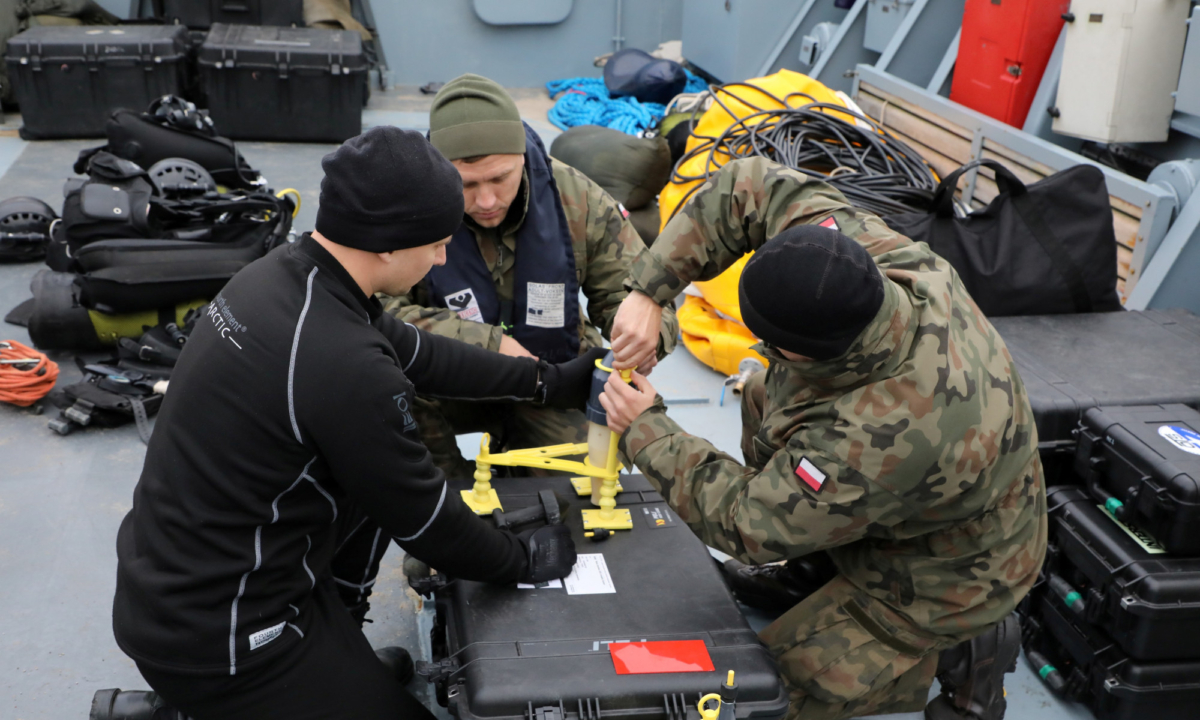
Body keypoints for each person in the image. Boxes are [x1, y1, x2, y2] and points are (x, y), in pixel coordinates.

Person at [93, 127, 601, 720]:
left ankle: (331, 658)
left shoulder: (289, 277)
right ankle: (190, 707)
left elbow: (416, 351)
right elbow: (426, 520)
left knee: (353, 480)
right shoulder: (338, 361)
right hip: (225, 638)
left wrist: (546, 381)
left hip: (190, 584)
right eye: (437, 243)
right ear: (387, 246)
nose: (441, 257)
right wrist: (522, 560)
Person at [600, 157, 1047, 720]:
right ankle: (817, 560)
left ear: (804, 348)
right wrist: (649, 291)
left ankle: (966, 651)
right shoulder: (876, 259)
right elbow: (750, 185)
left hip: (952, 569)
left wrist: (646, 428)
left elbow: (748, 523)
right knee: (766, 392)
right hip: (919, 499)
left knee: (761, 697)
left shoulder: (879, 433)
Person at [382, 73, 678, 477]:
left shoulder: (575, 198)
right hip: (442, 379)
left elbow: (639, 290)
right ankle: (444, 491)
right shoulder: (404, 204)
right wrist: (491, 346)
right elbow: (369, 312)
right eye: (465, 185)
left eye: (501, 178)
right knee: (376, 407)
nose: (486, 201)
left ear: (523, 157)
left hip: (550, 376)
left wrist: (647, 336)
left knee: (588, 480)